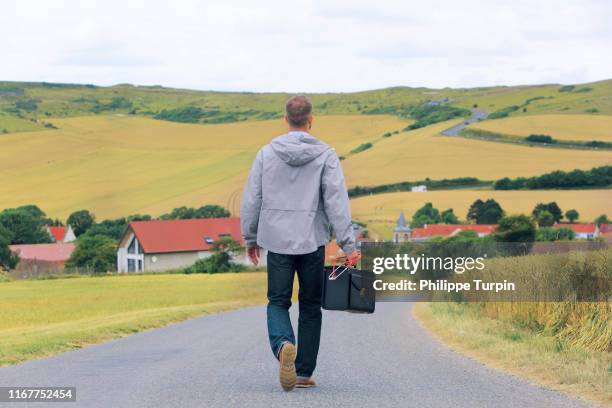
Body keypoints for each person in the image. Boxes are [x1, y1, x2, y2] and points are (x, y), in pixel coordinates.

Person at [240, 95, 359, 391]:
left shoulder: (266, 154)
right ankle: (303, 372)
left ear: (285, 120)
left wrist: (251, 238)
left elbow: (252, 199)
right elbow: (336, 202)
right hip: (312, 242)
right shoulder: (326, 155)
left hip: (277, 242)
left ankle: (283, 346)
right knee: (309, 306)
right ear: (311, 120)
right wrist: (348, 243)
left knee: (278, 302)